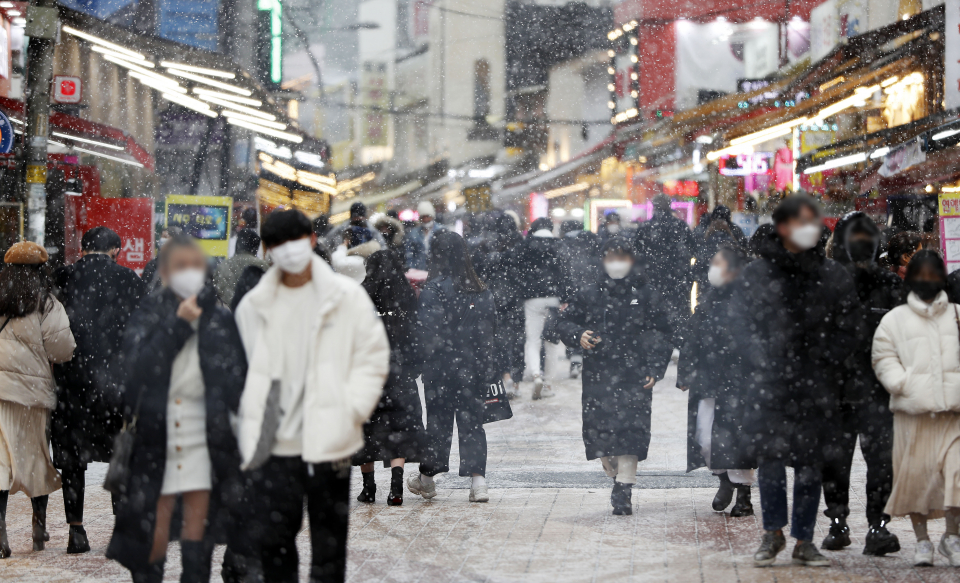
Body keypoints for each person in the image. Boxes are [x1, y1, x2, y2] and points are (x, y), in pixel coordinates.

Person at [234, 209, 389, 583]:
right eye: (278, 244)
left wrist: (351, 410)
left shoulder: (345, 297)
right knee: (276, 543)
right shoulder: (253, 307)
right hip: (274, 444)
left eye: (295, 242)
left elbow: (372, 356)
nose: (288, 251)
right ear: (268, 250)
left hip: (331, 437)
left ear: (312, 241)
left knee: (329, 544)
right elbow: (239, 372)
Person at [106, 235, 248, 583]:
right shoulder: (150, 312)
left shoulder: (219, 319)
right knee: (148, 549)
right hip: (156, 443)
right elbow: (136, 371)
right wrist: (177, 325)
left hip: (206, 443)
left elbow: (237, 382)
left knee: (197, 547)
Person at [731, 195, 860, 568]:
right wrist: (764, 358)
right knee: (770, 461)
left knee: (810, 465)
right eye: (801, 221)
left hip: (817, 386)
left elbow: (849, 327)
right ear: (783, 226)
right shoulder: (758, 274)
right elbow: (741, 325)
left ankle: (805, 539)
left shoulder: (832, 274)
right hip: (770, 385)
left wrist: (824, 360)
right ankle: (772, 533)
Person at [555, 237, 673, 515]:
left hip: (636, 373)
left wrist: (656, 367)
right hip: (600, 376)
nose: (616, 263)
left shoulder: (645, 293)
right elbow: (562, 323)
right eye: (610, 257)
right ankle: (615, 475)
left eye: (622, 257)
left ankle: (624, 488)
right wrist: (577, 334)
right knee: (602, 436)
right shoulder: (590, 293)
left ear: (633, 260)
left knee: (631, 432)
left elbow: (664, 332)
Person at [52, 226, 146, 554]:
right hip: (116, 383)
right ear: (116, 250)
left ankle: (76, 531)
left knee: (73, 459)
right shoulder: (130, 281)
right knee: (121, 454)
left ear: (83, 248)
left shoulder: (63, 278)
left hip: (72, 382)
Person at [819, 212, 903, 556]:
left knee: (844, 460)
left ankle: (846, 523)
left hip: (851, 386)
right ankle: (871, 525)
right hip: (869, 386)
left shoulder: (825, 282)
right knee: (877, 460)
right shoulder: (888, 284)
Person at [872, 250, 960, 567]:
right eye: (920, 275)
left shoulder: (957, 315)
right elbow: (883, 357)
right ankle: (922, 541)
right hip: (912, 415)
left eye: (933, 274)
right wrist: (902, 383)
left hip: (953, 414)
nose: (927, 281)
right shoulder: (894, 320)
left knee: (957, 476)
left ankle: (953, 536)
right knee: (916, 481)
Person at [407, 231, 496, 504]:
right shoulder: (480, 288)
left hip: (441, 367)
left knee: (438, 423)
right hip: (473, 366)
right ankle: (478, 482)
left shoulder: (434, 288)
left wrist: (421, 360)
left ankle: (428, 479)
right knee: (472, 423)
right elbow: (491, 331)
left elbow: (427, 330)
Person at [0, 241, 75, 558]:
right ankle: (39, 523)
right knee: (33, 458)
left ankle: (0, 530)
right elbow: (63, 349)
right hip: (33, 397)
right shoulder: (47, 304)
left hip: (0, 390)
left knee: (1, 461)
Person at [678, 244, 755, 518]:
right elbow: (692, 338)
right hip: (708, 379)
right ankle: (724, 479)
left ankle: (743, 493)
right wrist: (685, 372)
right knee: (705, 437)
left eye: (719, 263)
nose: (713, 269)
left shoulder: (749, 300)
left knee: (736, 439)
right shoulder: (708, 301)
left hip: (738, 381)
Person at [353, 250, 424, 506]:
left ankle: (369, 488)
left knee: (366, 429)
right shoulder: (406, 295)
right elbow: (417, 336)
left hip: (368, 373)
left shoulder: (360, 294)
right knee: (400, 428)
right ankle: (396, 489)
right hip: (400, 374)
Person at [512, 217, 569, 399]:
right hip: (553, 299)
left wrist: (522, 292)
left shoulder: (525, 246)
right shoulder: (558, 245)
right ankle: (548, 385)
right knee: (551, 343)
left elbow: (516, 270)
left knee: (533, 339)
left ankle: (536, 374)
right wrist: (564, 297)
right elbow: (566, 271)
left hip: (532, 299)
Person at [634, 194, 697, 341]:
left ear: (654, 207)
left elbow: (636, 253)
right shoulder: (680, 226)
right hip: (677, 279)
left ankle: (654, 339)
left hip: (652, 278)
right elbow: (693, 250)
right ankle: (678, 341)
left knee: (652, 312)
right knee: (678, 312)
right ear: (670, 206)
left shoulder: (645, 228)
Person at [214, 228, 269, 307]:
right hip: (253, 313)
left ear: (238, 243)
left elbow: (217, 292)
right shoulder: (261, 265)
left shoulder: (223, 265)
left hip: (227, 314)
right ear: (256, 246)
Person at [404, 201, 442, 270]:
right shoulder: (413, 233)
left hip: (437, 270)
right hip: (420, 270)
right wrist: (412, 269)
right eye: (423, 217)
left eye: (427, 216)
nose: (425, 219)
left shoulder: (441, 231)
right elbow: (409, 254)